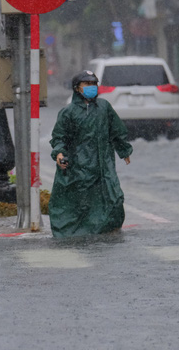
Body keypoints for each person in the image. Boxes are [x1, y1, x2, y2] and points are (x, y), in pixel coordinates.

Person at [49, 70, 133, 238]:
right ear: (77, 88)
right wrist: (59, 154)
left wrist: (124, 150)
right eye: (87, 84)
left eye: (94, 84)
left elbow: (116, 130)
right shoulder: (68, 112)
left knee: (113, 198)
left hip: (103, 165)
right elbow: (59, 138)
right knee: (80, 204)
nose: (91, 87)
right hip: (78, 168)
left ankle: (108, 229)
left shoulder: (104, 107)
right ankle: (76, 234)